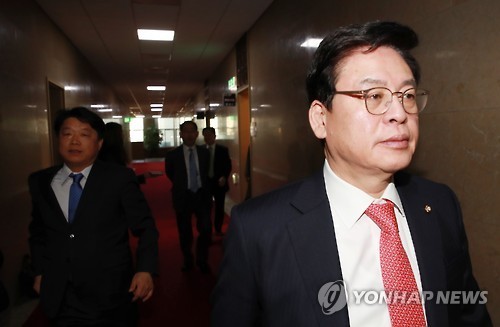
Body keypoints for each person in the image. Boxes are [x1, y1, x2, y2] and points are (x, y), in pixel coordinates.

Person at [211, 21, 492, 326]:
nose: (399, 114)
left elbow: (469, 315)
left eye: (407, 95)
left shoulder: (440, 205)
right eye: (374, 96)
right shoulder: (259, 230)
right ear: (321, 119)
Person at [28, 107, 159, 326]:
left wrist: (145, 269)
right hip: (59, 295)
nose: (74, 141)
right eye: (67, 133)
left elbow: (145, 227)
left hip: (109, 294)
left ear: (99, 144)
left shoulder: (119, 179)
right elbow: (38, 232)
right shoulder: (40, 182)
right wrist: (39, 271)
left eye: (84, 134)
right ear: (58, 139)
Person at [165, 121, 212, 273]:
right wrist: (183, 185)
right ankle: (188, 260)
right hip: (183, 196)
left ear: (197, 134)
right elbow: (171, 174)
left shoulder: (205, 152)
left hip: (201, 195)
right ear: (180, 134)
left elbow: (207, 173)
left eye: (192, 131)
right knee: (185, 232)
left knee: (205, 229)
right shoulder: (173, 155)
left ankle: (202, 259)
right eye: (186, 131)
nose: (189, 134)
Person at [202, 127, 232, 235]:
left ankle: (218, 228)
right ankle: (207, 229)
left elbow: (228, 166)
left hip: (219, 183)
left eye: (209, 135)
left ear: (214, 136)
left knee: (219, 207)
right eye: (205, 135)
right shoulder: (201, 150)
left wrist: (224, 177)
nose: (207, 137)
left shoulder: (222, 150)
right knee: (206, 207)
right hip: (206, 184)